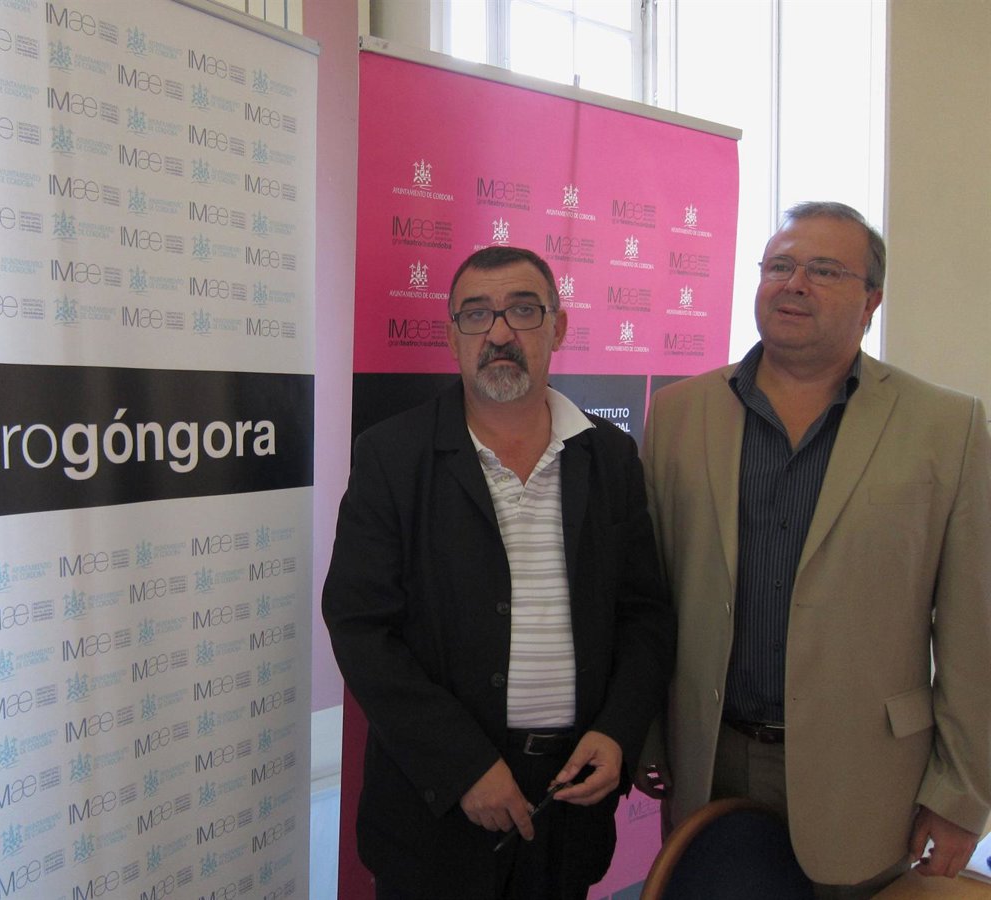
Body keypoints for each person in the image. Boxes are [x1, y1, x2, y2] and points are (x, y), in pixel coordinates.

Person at [640, 201, 991, 898]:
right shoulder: (680, 414)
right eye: (780, 266)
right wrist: (650, 738)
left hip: (868, 776)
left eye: (824, 270)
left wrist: (961, 795)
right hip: (712, 758)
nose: (794, 284)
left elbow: (973, 631)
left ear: (871, 301)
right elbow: (652, 592)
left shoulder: (946, 427)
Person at [323, 246, 675, 900]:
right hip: (434, 808)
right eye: (477, 314)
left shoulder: (609, 457)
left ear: (558, 328)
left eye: (523, 310)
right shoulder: (392, 457)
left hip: (569, 800)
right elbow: (360, 627)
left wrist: (617, 731)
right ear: (453, 335)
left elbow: (644, 615)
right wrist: (462, 766)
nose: (500, 332)